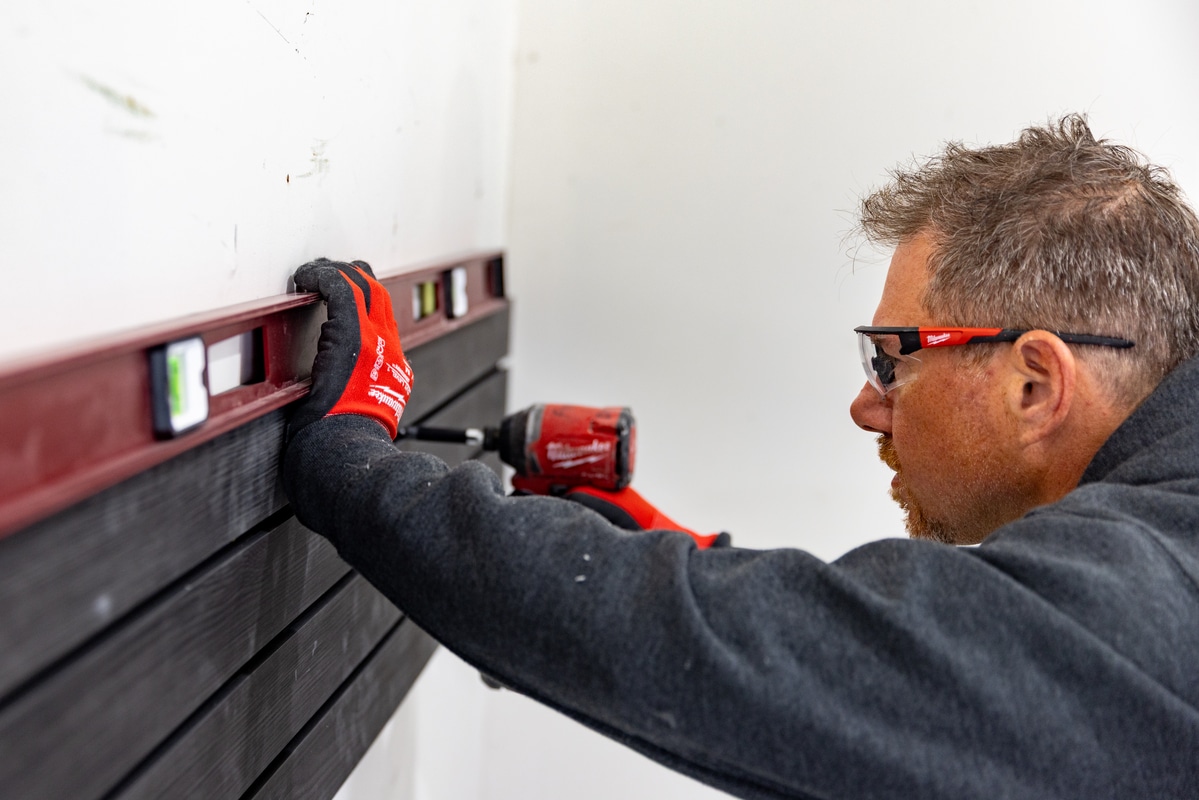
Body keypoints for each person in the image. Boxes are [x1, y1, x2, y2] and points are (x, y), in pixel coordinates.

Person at [283, 115, 1199, 799]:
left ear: (1034, 384)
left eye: (893, 360)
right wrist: (694, 562)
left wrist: (359, 463)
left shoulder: (1145, 602)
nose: (866, 406)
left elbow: (750, 657)